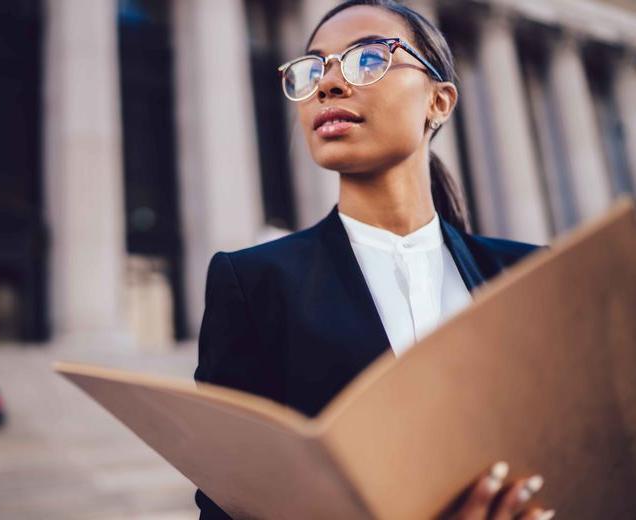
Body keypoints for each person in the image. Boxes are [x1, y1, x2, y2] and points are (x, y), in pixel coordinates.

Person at [193, 1, 553, 518]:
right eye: (313, 68)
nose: (328, 84)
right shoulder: (253, 284)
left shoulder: (528, 279)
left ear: (439, 100)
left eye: (366, 59)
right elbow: (230, 505)